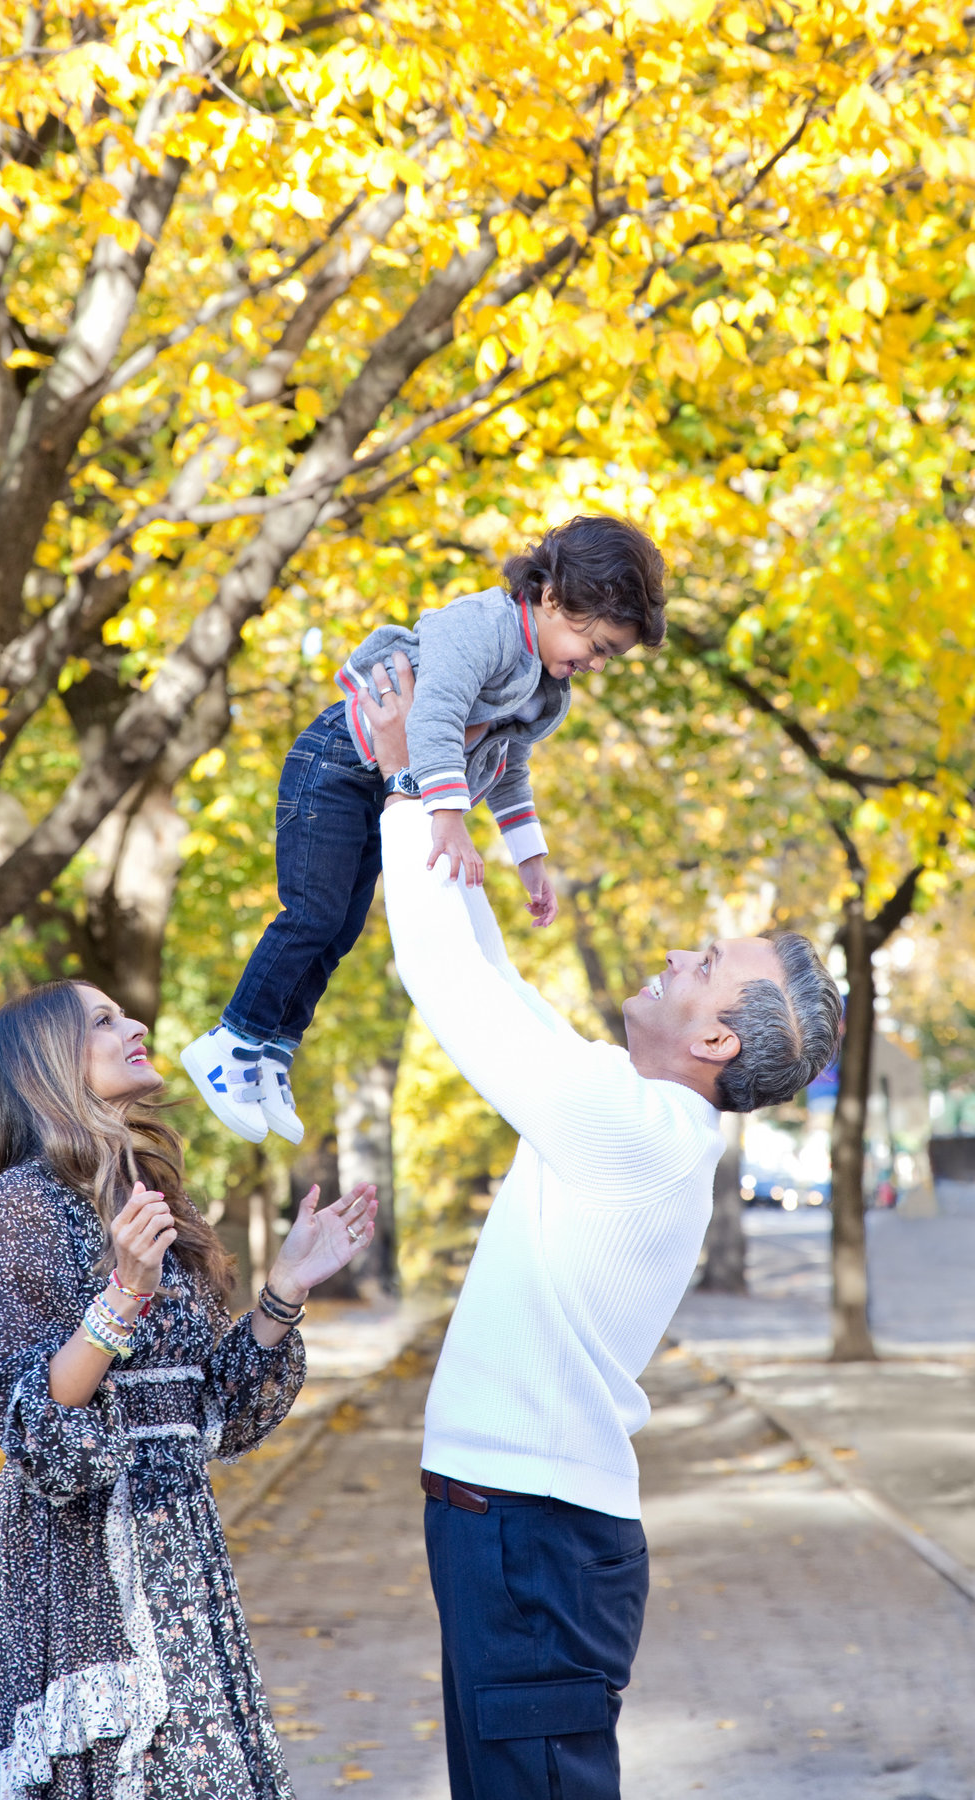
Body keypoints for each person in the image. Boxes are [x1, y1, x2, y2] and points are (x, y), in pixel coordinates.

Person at [357, 655, 843, 1800]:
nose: (677, 953)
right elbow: (500, 985)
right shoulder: (635, 1119)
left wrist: (398, 783)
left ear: (719, 1040)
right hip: (519, 1537)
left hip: (534, 1542)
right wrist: (449, 801)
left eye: (705, 966)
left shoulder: (637, 1131)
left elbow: (450, 985)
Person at [0, 978, 378, 1800]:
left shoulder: (153, 1199)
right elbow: (33, 1426)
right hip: (80, 1564)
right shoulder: (19, 1204)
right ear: (49, 1061)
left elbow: (213, 1415)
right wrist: (122, 1294)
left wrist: (286, 1288)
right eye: (104, 1021)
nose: (138, 1025)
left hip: (181, 1546)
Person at [181, 514, 666, 1149]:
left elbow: (508, 766)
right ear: (552, 598)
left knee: (342, 927)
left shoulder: (547, 690)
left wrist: (530, 858)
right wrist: (447, 817)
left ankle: (274, 1049)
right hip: (335, 764)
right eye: (597, 645)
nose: (596, 665)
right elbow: (432, 714)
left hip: (384, 784)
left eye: (609, 657)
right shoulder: (484, 627)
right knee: (312, 914)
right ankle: (232, 1040)